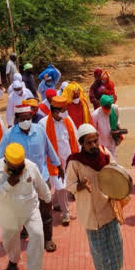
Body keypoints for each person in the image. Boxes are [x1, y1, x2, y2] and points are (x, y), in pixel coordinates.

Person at [0, 143, 51, 270]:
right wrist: (7, 185)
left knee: (37, 234)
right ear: (6, 162)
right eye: (15, 168)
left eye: (20, 167)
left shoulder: (30, 166)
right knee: (10, 242)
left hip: (30, 208)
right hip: (8, 213)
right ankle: (13, 261)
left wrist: (47, 197)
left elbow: (40, 184)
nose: (19, 170)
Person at [66, 124, 124, 270]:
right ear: (82, 144)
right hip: (91, 214)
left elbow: (116, 172)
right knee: (100, 251)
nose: (93, 145)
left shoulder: (105, 154)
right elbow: (69, 185)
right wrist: (80, 185)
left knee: (117, 246)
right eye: (89, 143)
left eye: (95, 140)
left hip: (109, 210)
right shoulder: (75, 162)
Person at [0, 104, 62, 252]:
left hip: (41, 176)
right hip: (20, 180)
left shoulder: (39, 130)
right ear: (17, 119)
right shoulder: (9, 135)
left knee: (46, 207)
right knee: (22, 207)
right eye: (23, 119)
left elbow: (49, 148)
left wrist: (58, 165)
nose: (26, 121)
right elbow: (0, 157)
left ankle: (48, 239)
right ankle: (26, 228)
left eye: (29, 118)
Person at [40, 95, 79, 226]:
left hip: (68, 160)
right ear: (56, 111)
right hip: (53, 163)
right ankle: (66, 213)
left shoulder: (68, 120)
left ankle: (56, 203)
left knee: (62, 187)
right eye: (64, 109)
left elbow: (76, 137)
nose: (66, 112)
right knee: (61, 187)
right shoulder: (43, 123)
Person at [91, 94, 124, 159]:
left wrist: (118, 132)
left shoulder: (114, 110)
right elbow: (93, 130)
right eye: (106, 107)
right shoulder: (95, 115)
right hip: (101, 143)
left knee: (113, 160)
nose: (108, 108)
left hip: (112, 142)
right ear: (101, 105)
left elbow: (117, 123)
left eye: (109, 106)